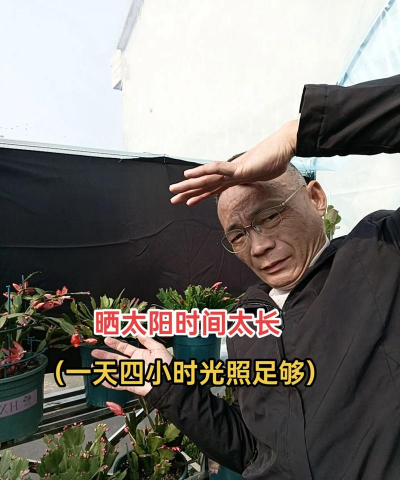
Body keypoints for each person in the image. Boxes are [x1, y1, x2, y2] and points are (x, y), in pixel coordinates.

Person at [92, 75, 400, 479]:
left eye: (269, 215)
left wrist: (298, 134)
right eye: (238, 235)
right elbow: (254, 450)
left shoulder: (382, 252)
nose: (257, 247)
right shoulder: (247, 321)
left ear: (315, 198)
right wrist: (168, 388)